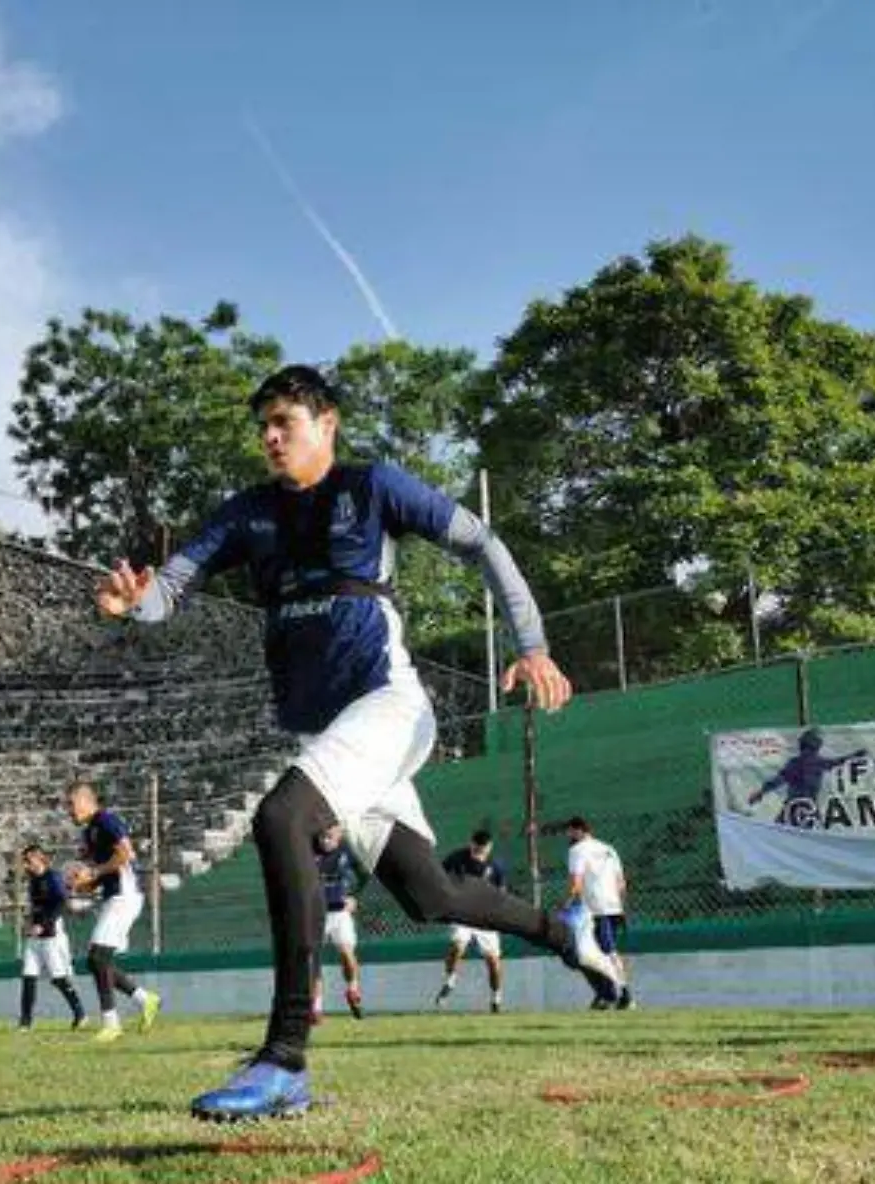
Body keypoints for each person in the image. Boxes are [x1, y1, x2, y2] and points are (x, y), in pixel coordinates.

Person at [94, 364, 620, 1122]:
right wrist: (135, 605)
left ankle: (283, 1059)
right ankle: (560, 931)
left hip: (389, 707)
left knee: (282, 819)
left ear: (326, 423)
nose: (271, 437)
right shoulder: (247, 513)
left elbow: (484, 545)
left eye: (286, 422)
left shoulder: (372, 488)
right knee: (428, 893)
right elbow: (168, 590)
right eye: (263, 427)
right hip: (330, 734)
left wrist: (532, 645)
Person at [66, 781, 161, 1042]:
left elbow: (125, 854)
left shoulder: (107, 820)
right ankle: (145, 999)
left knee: (98, 958)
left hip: (126, 895)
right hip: (113, 896)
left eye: (71, 805)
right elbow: (103, 871)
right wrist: (85, 884)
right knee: (98, 961)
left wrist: (94, 873)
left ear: (86, 801)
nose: (69, 811)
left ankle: (112, 1024)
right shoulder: (89, 833)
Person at [434, 832, 510, 1014]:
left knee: (493, 960)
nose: (478, 853)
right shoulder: (457, 858)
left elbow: (502, 892)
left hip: (485, 917)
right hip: (462, 913)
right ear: (470, 844)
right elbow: (439, 877)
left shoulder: (496, 865)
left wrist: (498, 914)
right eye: (475, 849)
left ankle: (496, 999)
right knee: (457, 944)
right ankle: (450, 980)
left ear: (489, 847)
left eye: (482, 850)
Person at [565, 817, 632, 1011]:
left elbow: (576, 884)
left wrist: (566, 905)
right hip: (613, 906)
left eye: (569, 832)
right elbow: (621, 883)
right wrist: (622, 907)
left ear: (578, 831)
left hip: (594, 909)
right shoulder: (608, 848)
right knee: (600, 952)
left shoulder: (576, 851)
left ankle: (624, 995)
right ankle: (606, 995)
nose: (568, 837)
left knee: (600, 952)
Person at [18, 844, 87, 1030]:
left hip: (52, 936)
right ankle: (25, 1022)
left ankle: (80, 1014)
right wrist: (29, 923)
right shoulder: (33, 880)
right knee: (28, 976)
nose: (25, 865)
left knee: (58, 978)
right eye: (24, 861)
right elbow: (35, 906)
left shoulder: (53, 877)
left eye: (28, 861)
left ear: (39, 859)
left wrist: (44, 925)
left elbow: (60, 904)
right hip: (35, 936)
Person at [747, 730, 869, 829]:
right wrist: (855, 755)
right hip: (803, 807)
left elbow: (777, 781)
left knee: (783, 833)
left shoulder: (804, 762)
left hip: (801, 807)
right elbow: (838, 762)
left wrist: (760, 793)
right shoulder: (813, 763)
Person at [313, 823, 365, 1022]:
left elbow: (364, 875)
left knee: (347, 953)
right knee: (314, 960)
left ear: (339, 834)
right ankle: (316, 1008)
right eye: (321, 837)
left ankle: (352, 989)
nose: (325, 841)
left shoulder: (347, 852)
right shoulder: (309, 851)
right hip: (316, 914)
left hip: (340, 913)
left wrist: (354, 896)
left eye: (329, 836)